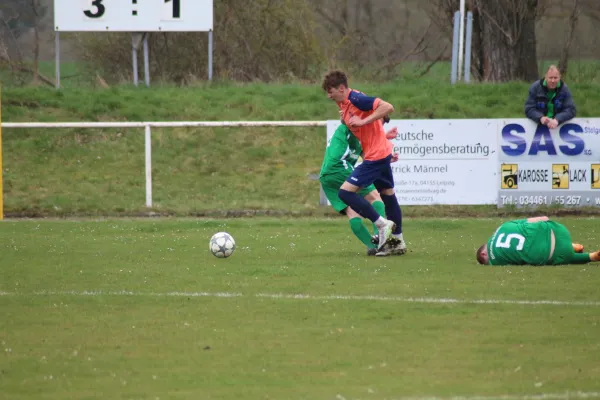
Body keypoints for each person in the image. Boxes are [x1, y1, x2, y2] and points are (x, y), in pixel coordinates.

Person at [321, 70, 406, 256]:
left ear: (341, 88)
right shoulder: (346, 105)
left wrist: (363, 120)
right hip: (379, 154)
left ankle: (382, 225)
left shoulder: (356, 99)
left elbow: (387, 107)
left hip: (375, 156)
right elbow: (365, 130)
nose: (328, 96)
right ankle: (398, 241)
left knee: (345, 192)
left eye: (330, 91)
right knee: (387, 195)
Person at [320, 112, 399, 256]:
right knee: (375, 197)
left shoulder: (360, 135)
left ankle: (372, 246)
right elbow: (346, 119)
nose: (376, 126)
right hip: (339, 167)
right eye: (377, 122)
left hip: (326, 175)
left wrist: (386, 153)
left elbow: (369, 154)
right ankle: (381, 238)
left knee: (352, 211)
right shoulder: (354, 126)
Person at [475, 216, 600, 266]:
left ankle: (591, 256)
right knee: (536, 229)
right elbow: (541, 218)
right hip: (558, 230)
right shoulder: (503, 226)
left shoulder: (496, 262)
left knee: (565, 257)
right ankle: (572, 245)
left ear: (483, 254)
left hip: (556, 253)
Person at [525, 65, 576, 129]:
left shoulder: (564, 89)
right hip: (538, 126)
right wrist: (540, 117)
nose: (553, 81)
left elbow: (571, 110)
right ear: (545, 77)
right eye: (550, 78)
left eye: (555, 78)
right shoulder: (535, 87)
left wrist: (557, 119)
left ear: (560, 77)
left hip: (558, 126)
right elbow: (529, 109)